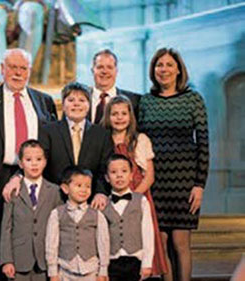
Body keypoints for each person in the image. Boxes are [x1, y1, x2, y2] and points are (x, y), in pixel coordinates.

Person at [0, 48, 57, 281]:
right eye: (12, 67)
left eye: (22, 68)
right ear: (2, 69)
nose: (17, 73)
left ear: (29, 71)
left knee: (30, 248)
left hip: (33, 180)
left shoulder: (45, 101)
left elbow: (50, 143)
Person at [138, 47, 209, 281]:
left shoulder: (193, 99)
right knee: (161, 242)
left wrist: (199, 185)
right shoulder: (146, 102)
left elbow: (204, 143)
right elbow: (139, 143)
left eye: (169, 65)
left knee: (180, 241)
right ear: (153, 70)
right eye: (159, 65)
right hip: (156, 181)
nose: (164, 69)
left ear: (178, 69)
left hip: (185, 182)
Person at [3, 82, 112, 209]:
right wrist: (17, 176)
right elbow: (37, 159)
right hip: (54, 201)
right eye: (71, 100)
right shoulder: (48, 131)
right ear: (63, 105)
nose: (76, 104)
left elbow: (104, 168)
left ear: (88, 106)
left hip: (91, 202)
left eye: (82, 100)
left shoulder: (101, 134)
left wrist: (101, 192)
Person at [101, 95, 168, 277]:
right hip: (111, 197)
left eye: (124, 113)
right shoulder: (102, 140)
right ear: (108, 116)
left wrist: (133, 197)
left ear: (130, 116)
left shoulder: (141, 140)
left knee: (142, 237)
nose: (119, 117)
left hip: (137, 197)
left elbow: (149, 176)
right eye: (115, 114)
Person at [0, 139, 62, 281]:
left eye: (39, 159)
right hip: (19, 260)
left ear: (45, 162)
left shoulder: (54, 191)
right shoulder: (12, 190)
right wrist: (6, 260)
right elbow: (6, 227)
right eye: (28, 159)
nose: (34, 163)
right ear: (21, 163)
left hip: (45, 261)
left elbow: (59, 227)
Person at [45, 166, 110, 281]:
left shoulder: (97, 215)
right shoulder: (56, 214)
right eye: (79, 185)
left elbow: (103, 243)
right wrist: (53, 272)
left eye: (88, 186)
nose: (84, 190)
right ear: (65, 188)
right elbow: (52, 244)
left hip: (91, 270)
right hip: (65, 270)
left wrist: (103, 270)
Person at [103, 154, 154, 281]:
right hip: (111, 261)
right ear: (107, 178)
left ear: (131, 175)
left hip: (135, 260)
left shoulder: (141, 201)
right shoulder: (103, 204)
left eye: (124, 171)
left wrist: (147, 263)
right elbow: (101, 238)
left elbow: (148, 233)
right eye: (114, 172)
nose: (119, 175)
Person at [90, 49, 141, 123]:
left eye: (109, 67)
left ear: (116, 71)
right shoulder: (80, 100)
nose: (104, 71)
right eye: (100, 67)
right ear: (92, 71)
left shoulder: (135, 101)